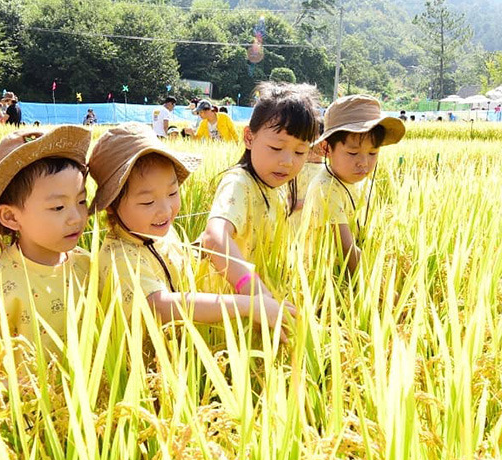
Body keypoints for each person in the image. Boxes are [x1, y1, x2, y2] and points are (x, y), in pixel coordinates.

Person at [88, 123, 294, 337]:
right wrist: (244, 304)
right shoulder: (118, 258)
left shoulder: (164, 234)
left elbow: (186, 264)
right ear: (111, 206)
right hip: (143, 364)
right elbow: (160, 305)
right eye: (148, 202)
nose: (166, 210)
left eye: (172, 193)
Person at [0, 125, 92, 362]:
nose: (76, 217)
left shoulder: (87, 266)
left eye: (82, 201)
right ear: (11, 217)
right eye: (58, 207)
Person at [200, 82, 319, 300]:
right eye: (276, 148)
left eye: (300, 151)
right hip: (229, 306)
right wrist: (256, 294)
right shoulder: (239, 183)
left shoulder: (277, 187)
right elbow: (214, 237)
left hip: (262, 304)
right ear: (249, 138)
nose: (287, 162)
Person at [304, 94, 405, 274]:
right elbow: (347, 252)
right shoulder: (326, 189)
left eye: (373, 153)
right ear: (327, 149)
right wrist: (384, 291)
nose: (364, 163)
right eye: (352, 153)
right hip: (325, 283)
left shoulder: (362, 184)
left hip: (353, 280)